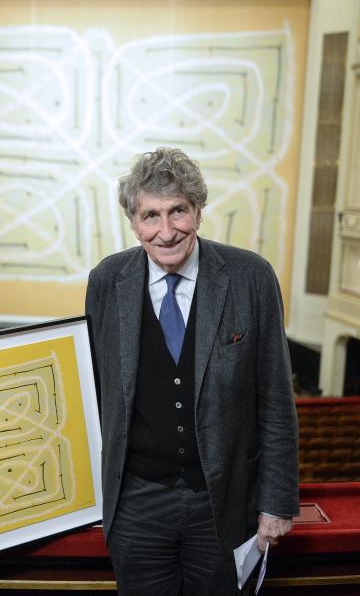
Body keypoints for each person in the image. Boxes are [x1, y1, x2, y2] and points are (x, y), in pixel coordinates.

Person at [85, 148, 299, 595]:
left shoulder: (251, 277)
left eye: (178, 211)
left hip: (224, 505)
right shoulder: (107, 280)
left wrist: (276, 502)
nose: (166, 232)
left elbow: (276, 400)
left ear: (199, 211)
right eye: (151, 216)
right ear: (133, 222)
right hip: (136, 505)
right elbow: (82, 384)